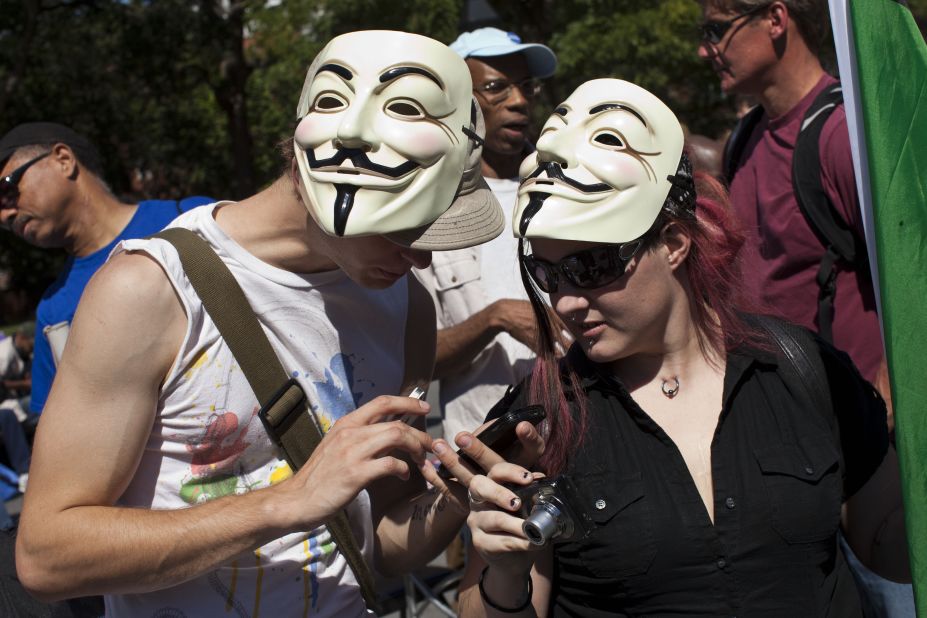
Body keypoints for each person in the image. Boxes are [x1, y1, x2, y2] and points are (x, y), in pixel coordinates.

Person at [14, 30, 545, 617]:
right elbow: (46, 558)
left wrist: (460, 493)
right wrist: (289, 501)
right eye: (412, 223)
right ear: (334, 170)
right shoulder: (151, 288)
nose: (423, 256)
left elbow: (385, 546)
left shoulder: (407, 305)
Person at [455, 79, 909, 616]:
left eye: (591, 266)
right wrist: (503, 577)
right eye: (547, 274)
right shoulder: (540, 420)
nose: (568, 303)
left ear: (673, 244)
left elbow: (891, 547)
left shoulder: (801, 369)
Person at [696, 2, 912, 612]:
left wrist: (885, 411)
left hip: (869, 461)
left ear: (775, 19)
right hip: (794, 456)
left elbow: (912, 272)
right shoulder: (745, 139)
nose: (704, 49)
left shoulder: (844, 132)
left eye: (715, 30)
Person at [0, 122, 212, 417]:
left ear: (63, 160)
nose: (4, 214)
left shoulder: (193, 219)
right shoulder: (52, 316)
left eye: (7, 189)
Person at [417, 27, 563, 446]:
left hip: (579, 438)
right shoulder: (429, 215)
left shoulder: (568, 189)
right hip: (482, 459)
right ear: (458, 103)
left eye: (527, 87)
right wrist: (493, 319)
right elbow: (413, 363)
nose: (519, 101)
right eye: (497, 88)